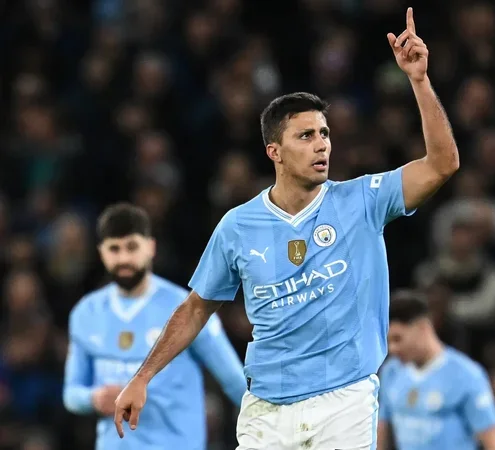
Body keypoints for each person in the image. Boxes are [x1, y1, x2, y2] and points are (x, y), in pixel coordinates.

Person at [113, 7, 460, 450]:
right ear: (274, 151)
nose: (322, 144)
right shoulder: (238, 226)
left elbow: (443, 164)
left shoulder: (363, 200)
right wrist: (142, 377)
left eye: (324, 133)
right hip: (266, 409)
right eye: (306, 136)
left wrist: (418, 80)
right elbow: (198, 307)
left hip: (345, 401)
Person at [63, 203, 246, 449]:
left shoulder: (187, 310)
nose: (124, 258)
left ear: (151, 247)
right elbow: (71, 393)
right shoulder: (86, 312)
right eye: (114, 249)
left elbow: (235, 382)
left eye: (132, 247)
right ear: (101, 252)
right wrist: (93, 399)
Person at [377, 290, 495, 450]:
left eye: (397, 339)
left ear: (422, 328)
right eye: (388, 341)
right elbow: (381, 433)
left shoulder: (467, 375)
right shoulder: (390, 372)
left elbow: (494, 444)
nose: (392, 349)